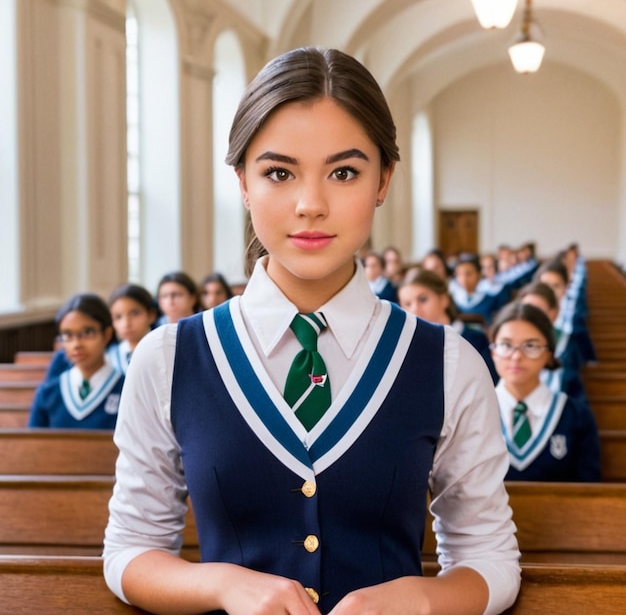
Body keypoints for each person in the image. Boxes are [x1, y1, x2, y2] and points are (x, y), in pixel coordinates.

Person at [104, 46, 520, 615]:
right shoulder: (169, 358)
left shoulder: (448, 362)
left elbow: (490, 558)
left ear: (384, 179)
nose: (310, 204)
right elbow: (130, 549)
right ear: (243, 183)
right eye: (278, 172)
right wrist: (226, 585)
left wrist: (420, 597)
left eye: (344, 172)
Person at [490, 301, 601, 482]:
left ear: (549, 354)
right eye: (506, 345)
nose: (516, 356)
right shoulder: (471, 412)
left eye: (531, 346)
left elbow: (588, 494)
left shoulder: (576, 415)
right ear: (493, 352)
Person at [29, 293, 124, 429]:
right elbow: (33, 446)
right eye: (67, 335)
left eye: (87, 333)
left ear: (107, 334)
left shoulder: (127, 389)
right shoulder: (47, 393)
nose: (76, 344)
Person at [398, 269, 498, 383]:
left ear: (444, 299)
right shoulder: (406, 346)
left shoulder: (476, 339)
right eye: (407, 304)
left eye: (422, 299)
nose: (415, 309)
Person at [107, 283, 158, 373]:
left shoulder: (163, 351)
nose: (126, 323)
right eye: (118, 317)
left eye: (134, 313)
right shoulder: (110, 357)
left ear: (151, 315)